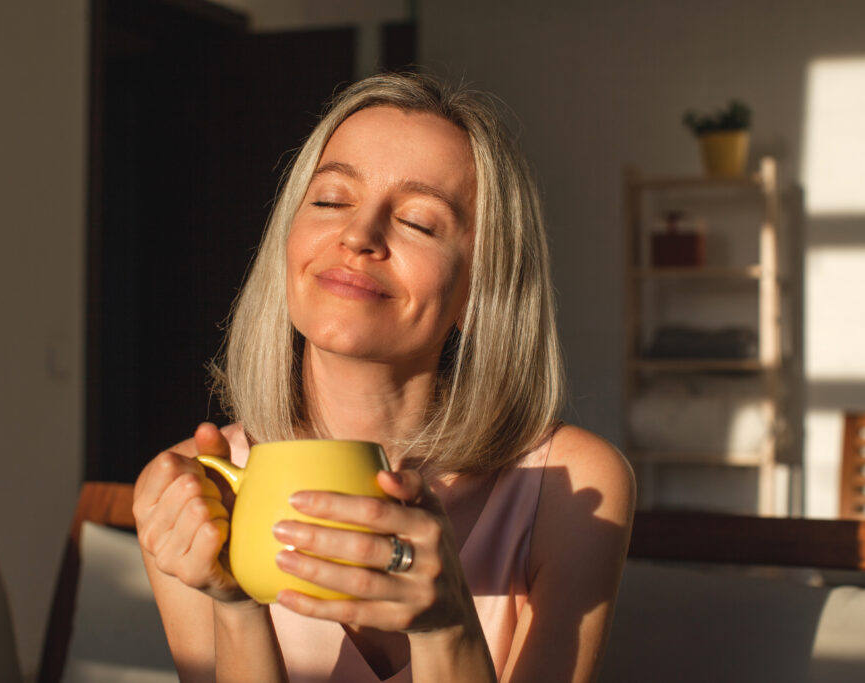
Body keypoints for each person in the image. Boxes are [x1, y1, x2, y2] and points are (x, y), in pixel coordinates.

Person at [132, 72, 635, 683]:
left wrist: (446, 627)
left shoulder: (573, 488)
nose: (358, 236)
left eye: (420, 222)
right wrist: (235, 605)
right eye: (332, 200)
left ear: (480, 288)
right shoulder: (194, 489)